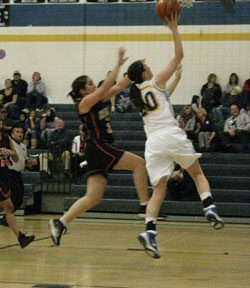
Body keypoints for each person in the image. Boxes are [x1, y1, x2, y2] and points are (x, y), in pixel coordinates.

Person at [127, 14, 224, 259]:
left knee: (159, 189)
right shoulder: (156, 80)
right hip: (171, 134)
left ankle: (149, 230)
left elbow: (163, 99)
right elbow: (179, 55)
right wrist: (174, 28)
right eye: (146, 65)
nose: (150, 66)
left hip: (153, 144)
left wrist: (178, 79)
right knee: (197, 173)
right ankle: (209, 206)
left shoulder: (138, 94)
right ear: (143, 72)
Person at [48, 48, 151, 246]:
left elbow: (120, 86)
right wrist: (119, 64)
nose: (93, 84)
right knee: (139, 164)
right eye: (89, 83)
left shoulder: (97, 99)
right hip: (98, 146)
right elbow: (104, 89)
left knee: (93, 197)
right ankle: (145, 206)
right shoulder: (84, 103)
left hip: (97, 150)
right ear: (82, 90)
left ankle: (60, 222)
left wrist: (133, 71)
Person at [0, 120, 35, 248]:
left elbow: (16, 157)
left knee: (8, 208)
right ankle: (21, 238)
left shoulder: (6, 138)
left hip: (4, 176)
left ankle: (21, 238)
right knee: (9, 208)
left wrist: (9, 152)